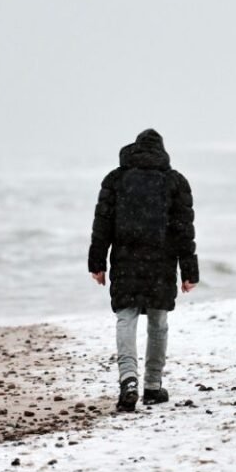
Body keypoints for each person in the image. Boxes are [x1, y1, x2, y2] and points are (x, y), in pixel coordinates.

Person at [88, 129, 199, 412]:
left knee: (126, 318)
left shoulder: (116, 179)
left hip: (125, 260)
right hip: (161, 262)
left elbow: (102, 225)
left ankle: (128, 380)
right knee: (158, 322)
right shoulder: (175, 181)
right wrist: (189, 271)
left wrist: (97, 263)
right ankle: (152, 386)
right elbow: (184, 230)